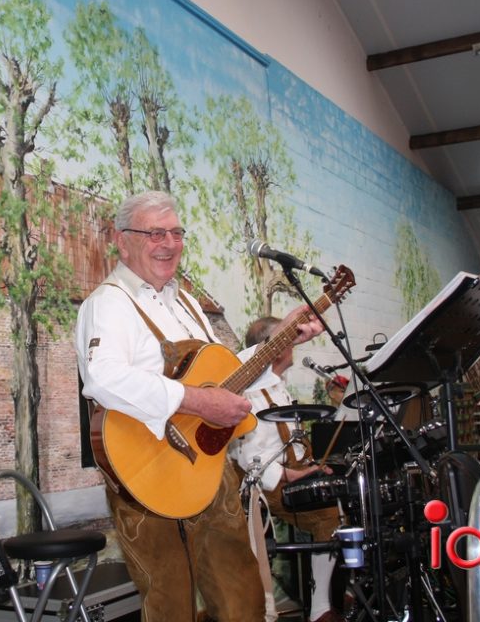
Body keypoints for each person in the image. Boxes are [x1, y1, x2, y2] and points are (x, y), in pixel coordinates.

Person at [75, 190, 322, 621]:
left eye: (176, 233)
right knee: (171, 607)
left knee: (242, 600)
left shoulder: (187, 302)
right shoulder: (108, 303)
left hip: (209, 470)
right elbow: (104, 377)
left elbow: (226, 378)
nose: (169, 244)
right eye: (155, 234)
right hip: (147, 479)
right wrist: (198, 401)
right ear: (122, 241)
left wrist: (282, 337)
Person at [229, 315, 340, 622]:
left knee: (342, 494)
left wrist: (312, 468)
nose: (293, 346)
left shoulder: (279, 388)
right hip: (262, 484)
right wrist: (288, 475)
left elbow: (293, 443)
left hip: (291, 473)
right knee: (329, 512)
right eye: (288, 340)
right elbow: (244, 453)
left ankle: (331, 596)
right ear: (274, 348)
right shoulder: (246, 392)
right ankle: (320, 608)